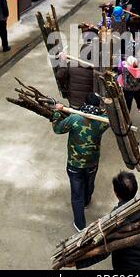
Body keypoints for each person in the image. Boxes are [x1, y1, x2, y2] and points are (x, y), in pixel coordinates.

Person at [50, 93, 109, 232]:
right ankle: (87, 201)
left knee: (77, 194)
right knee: (89, 183)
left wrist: (57, 112)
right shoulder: (103, 121)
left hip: (74, 164)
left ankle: (80, 224)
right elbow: (108, 113)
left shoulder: (74, 118)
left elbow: (57, 129)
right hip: (92, 162)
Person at [75, 171, 140, 270]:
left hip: (125, 266)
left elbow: (103, 251)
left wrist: (77, 263)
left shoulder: (115, 219)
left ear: (116, 193)